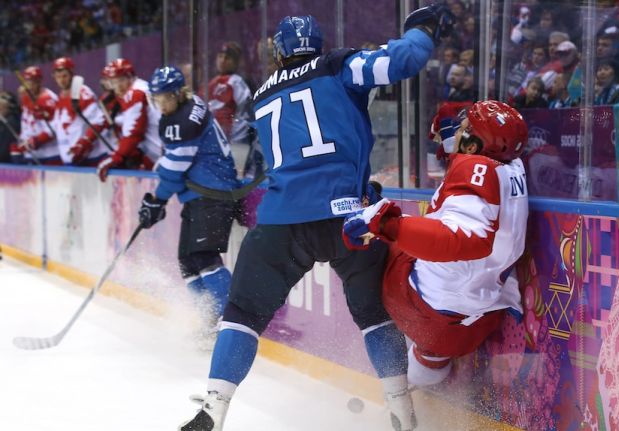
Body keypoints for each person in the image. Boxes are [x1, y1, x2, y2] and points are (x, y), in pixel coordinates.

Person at [178, 6, 454, 431]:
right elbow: (406, 60)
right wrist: (421, 27)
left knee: (242, 313)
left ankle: (215, 406)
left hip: (282, 219)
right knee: (375, 313)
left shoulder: (262, 93)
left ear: (279, 50)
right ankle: (401, 408)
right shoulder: (337, 65)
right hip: (349, 220)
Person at [341, 100, 528, 387]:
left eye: (465, 128)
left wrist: (385, 222)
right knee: (435, 342)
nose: (460, 129)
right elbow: (482, 152)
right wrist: (455, 135)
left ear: (472, 146)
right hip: (478, 318)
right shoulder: (512, 166)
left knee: (363, 244)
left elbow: (463, 238)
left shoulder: (475, 167)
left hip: (421, 308)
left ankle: (390, 353)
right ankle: (427, 362)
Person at [139, 66, 239, 337]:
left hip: (213, 194)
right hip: (200, 195)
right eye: (155, 98)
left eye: (163, 97)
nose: (159, 103)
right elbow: (175, 160)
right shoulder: (186, 108)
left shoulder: (183, 121)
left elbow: (174, 169)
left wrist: (156, 200)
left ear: (177, 93)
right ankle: (207, 319)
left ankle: (229, 323)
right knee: (187, 260)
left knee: (204, 256)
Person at [94, 58, 162, 180]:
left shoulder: (134, 93)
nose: (118, 87)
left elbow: (134, 133)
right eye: (114, 83)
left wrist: (117, 156)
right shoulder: (142, 86)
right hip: (162, 153)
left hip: (163, 156)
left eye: (121, 80)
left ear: (130, 77)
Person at [207, 41, 264, 179]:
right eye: (220, 56)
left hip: (236, 143)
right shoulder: (212, 82)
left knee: (236, 179)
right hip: (216, 143)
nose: (223, 60)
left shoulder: (237, 81)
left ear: (236, 62)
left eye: (228, 58)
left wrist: (240, 138)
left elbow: (248, 113)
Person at [50, 57, 110, 166]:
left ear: (72, 74)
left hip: (88, 158)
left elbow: (99, 121)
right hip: (69, 158)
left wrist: (85, 142)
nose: (61, 80)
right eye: (58, 77)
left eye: (64, 76)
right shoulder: (61, 96)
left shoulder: (82, 93)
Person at [16, 66, 60, 165]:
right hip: (31, 154)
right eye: (27, 82)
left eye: (32, 82)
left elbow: (56, 127)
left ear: (39, 81)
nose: (29, 86)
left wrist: (37, 140)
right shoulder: (25, 97)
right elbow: (26, 122)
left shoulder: (49, 98)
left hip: (50, 154)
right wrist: (22, 140)